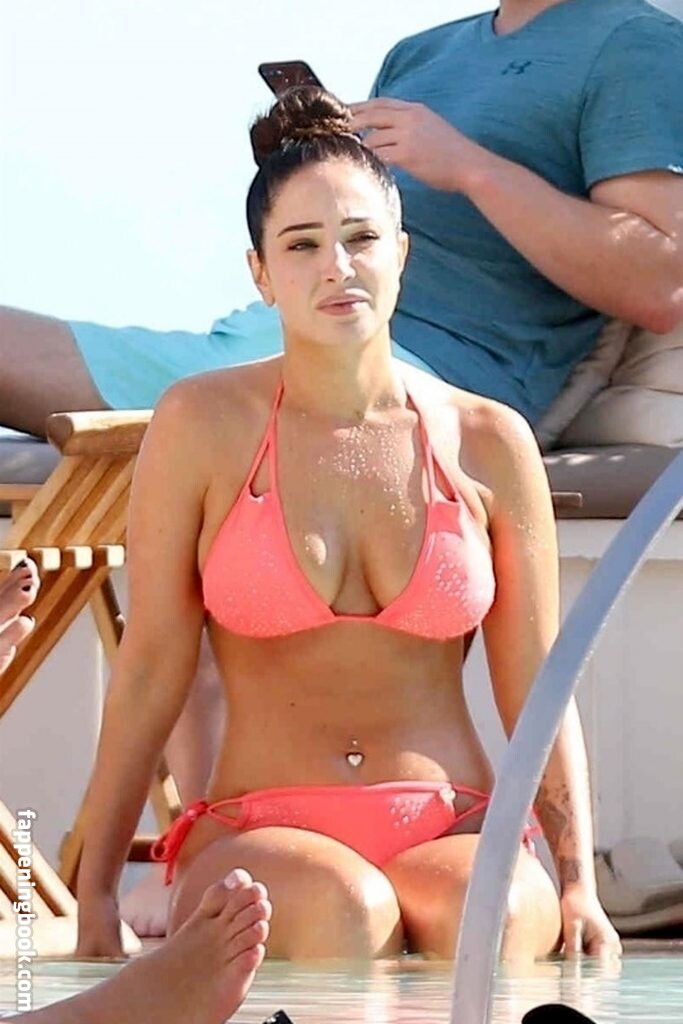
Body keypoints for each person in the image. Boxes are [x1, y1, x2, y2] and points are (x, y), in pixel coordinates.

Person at [68, 85, 620, 965]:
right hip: (259, 827)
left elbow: (537, 684)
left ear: (401, 252)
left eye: (361, 238)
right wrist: (94, 891)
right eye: (302, 244)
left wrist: (575, 881)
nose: (337, 266)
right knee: (346, 911)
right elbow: (149, 672)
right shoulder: (201, 423)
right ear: (260, 272)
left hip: (451, 823)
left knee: (490, 923)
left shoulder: (487, 439)